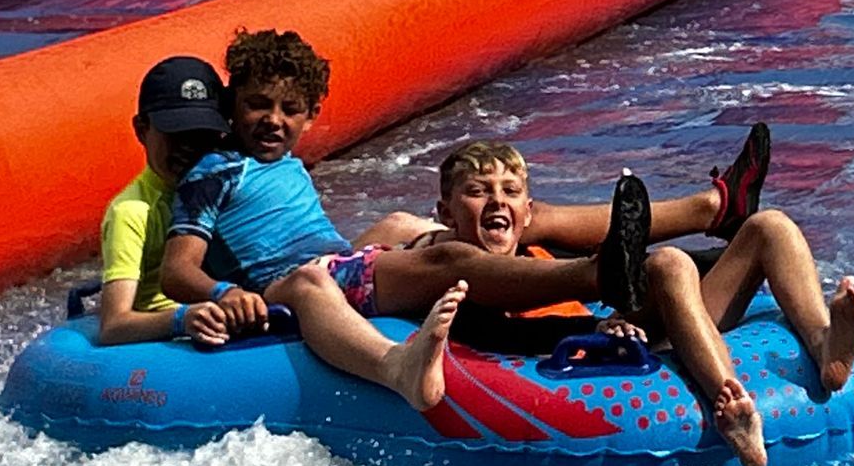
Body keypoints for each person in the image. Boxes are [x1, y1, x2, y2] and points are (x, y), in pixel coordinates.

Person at [157, 26, 672, 393]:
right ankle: (594, 276)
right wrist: (226, 294)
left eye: (289, 110)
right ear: (231, 106)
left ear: (311, 117)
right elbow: (178, 271)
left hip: (339, 266)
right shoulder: (214, 172)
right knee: (446, 264)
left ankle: (581, 293)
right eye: (258, 105)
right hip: (294, 286)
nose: (273, 120)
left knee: (430, 235)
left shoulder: (287, 163)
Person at [423, 137, 854, 466]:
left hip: (650, 332)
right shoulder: (456, 275)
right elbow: (496, 335)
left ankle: (824, 341)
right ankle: (732, 404)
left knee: (769, 226)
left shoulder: (537, 252)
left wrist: (736, 267)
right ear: (446, 213)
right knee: (669, 265)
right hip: (600, 359)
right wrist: (591, 335)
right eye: (479, 191)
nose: (497, 200)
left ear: (528, 209)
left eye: (510, 191)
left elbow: (622, 279)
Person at [95, 55, 235, 348]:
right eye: (175, 134)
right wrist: (181, 319)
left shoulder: (227, 188)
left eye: (201, 135)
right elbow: (113, 325)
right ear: (141, 130)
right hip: (168, 340)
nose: (188, 148)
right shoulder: (132, 212)